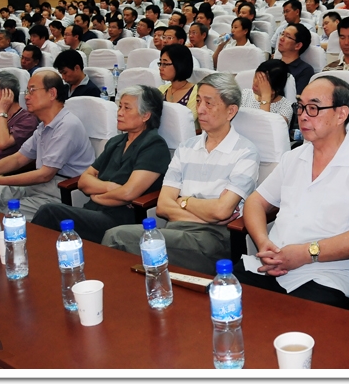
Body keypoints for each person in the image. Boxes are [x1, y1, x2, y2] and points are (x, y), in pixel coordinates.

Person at [235, 76, 349, 310]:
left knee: (291, 321)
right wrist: (263, 243)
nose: (303, 115)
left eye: (314, 108)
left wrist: (307, 253)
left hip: (326, 275)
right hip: (270, 266)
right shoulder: (293, 157)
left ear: (341, 114)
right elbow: (255, 202)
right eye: (300, 106)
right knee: (221, 303)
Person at [102, 73, 260, 276]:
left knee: (117, 238)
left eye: (209, 103)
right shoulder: (186, 147)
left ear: (231, 111)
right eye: (198, 101)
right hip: (175, 231)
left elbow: (222, 211)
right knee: (128, 248)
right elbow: (163, 206)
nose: (200, 109)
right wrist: (203, 210)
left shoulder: (245, 152)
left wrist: (183, 201)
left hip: (212, 240)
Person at [32, 86, 171, 243]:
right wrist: (110, 187)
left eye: (127, 108)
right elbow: (84, 180)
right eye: (120, 107)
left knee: (50, 212)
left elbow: (128, 193)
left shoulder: (154, 145)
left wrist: (97, 196)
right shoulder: (116, 142)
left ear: (146, 115)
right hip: (93, 211)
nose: (119, 113)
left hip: (120, 220)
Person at [0, 71, 96, 218]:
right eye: (27, 91)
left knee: (7, 213)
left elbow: (45, 175)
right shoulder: (43, 126)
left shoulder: (67, 126)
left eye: (32, 90)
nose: (26, 96)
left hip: (60, 190)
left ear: (52, 93)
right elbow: (18, 158)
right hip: (37, 186)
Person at [240, 59, 294, 124]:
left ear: (275, 90)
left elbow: (264, 127)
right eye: (256, 77)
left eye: (261, 81)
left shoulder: (285, 107)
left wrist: (265, 97)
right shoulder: (244, 94)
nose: (255, 82)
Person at [158, 44, 199, 128]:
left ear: (179, 64)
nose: (160, 68)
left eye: (165, 63)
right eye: (160, 63)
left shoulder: (197, 92)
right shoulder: (161, 90)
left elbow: (186, 122)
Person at [277, 23, 314, 95]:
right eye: (282, 34)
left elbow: (297, 98)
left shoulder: (305, 70)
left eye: (288, 36)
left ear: (298, 46)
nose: (281, 38)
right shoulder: (273, 64)